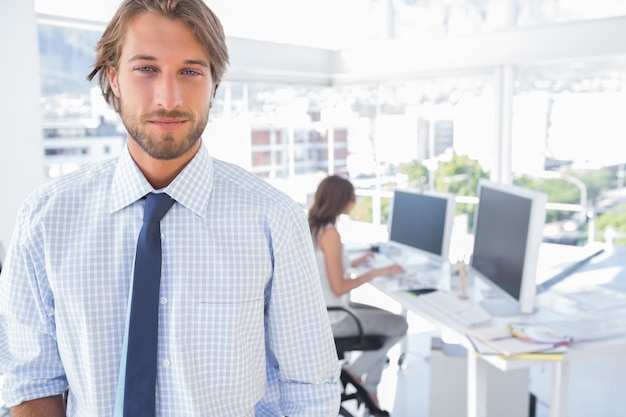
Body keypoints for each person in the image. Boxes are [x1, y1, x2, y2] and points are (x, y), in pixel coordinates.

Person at [0, 1, 340, 416]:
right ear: (114, 78)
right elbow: (31, 381)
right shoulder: (44, 221)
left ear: (214, 83)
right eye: (146, 69)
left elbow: (309, 390)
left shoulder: (274, 220)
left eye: (191, 71)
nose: (169, 97)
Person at [308, 175, 408, 409]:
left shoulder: (313, 226)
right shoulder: (330, 234)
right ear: (341, 201)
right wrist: (375, 273)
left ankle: (370, 388)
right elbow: (339, 286)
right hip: (335, 317)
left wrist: (354, 262)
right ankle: (355, 373)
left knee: (387, 322)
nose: (353, 202)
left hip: (324, 310)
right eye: (351, 198)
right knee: (399, 325)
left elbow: (325, 266)